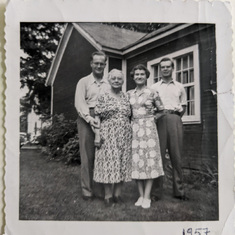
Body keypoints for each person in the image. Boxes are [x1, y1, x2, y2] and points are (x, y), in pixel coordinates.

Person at [151, 57, 188, 201]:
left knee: (176, 156)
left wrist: (175, 117)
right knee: (158, 156)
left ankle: (179, 191)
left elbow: (183, 106)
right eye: (162, 67)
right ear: (160, 69)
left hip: (175, 118)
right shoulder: (154, 87)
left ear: (173, 68)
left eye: (168, 66)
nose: (165, 69)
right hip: (159, 119)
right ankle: (156, 193)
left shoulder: (179, 86)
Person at [93, 69, 132, 206]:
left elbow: (131, 115)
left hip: (125, 134)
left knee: (122, 162)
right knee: (108, 163)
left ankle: (117, 194)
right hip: (108, 133)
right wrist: (97, 134)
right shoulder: (103, 96)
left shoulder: (126, 97)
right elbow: (97, 116)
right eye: (113, 78)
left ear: (123, 81)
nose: (116, 80)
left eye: (119, 79)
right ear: (109, 80)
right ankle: (108, 196)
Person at [127, 64, 164, 209]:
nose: (139, 76)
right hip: (134, 129)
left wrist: (153, 119)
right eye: (136, 74)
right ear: (133, 76)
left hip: (149, 130)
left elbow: (162, 110)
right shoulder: (129, 94)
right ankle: (140, 195)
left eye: (142, 74)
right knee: (137, 161)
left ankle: (147, 197)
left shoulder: (153, 93)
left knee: (149, 161)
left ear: (146, 76)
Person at [74, 51, 110, 200]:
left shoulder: (109, 83)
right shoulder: (84, 82)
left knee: (104, 155)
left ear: (105, 65)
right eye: (96, 63)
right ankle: (87, 191)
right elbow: (79, 103)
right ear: (91, 64)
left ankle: (103, 192)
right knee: (87, 156)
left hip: (106, 119)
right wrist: (89, 118)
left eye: (102, 63)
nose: (99, 66)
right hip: (86, 117)